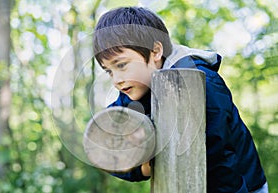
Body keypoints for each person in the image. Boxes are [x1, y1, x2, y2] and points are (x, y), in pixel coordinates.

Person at [92, 6, 268, 193]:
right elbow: (105, 143)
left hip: (241, 186)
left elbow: (221, 160)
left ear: (156, 51)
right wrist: (142, 167)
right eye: (109, 71)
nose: (116, 79)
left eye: (121, 64)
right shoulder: (133, 90)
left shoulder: (203, 84)